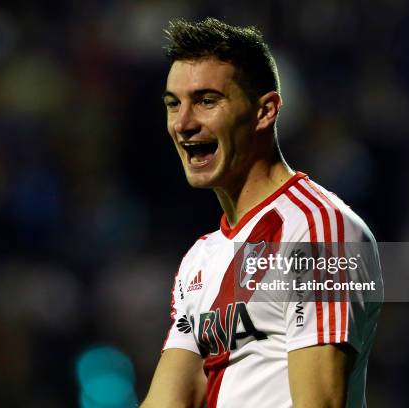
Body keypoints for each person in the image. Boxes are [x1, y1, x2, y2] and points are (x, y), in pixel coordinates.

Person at [142, 18, 382, 408]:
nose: (183, 123)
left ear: (264, 112)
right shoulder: (200, 259)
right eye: (173, 104)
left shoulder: (318, 230)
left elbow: (318, 404)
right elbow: (169, 400)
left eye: (206, 100)